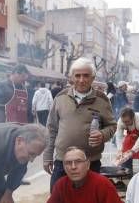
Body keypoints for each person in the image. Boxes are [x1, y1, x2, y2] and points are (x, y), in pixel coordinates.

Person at [43, 57, 117, 190]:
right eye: (77, 75)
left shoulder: (102, 99)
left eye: (86, 75)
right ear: (71, 77)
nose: (82, 80)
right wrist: (47, 156)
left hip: (90, 162)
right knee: (58, 201)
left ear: (93, 77)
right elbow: (52, 128)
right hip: (62, 162)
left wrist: (102, 134)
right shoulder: (61, 97)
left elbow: (112, 125)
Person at [114, 107, 139, 174]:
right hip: (132, 134)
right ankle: (126, 170)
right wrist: (119, 150)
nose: (125, 123)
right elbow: (119, 136)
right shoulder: (121, 122)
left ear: (133, 118)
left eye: (127, 121)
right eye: (123, 121)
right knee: (125, 147)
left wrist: (132, 150)